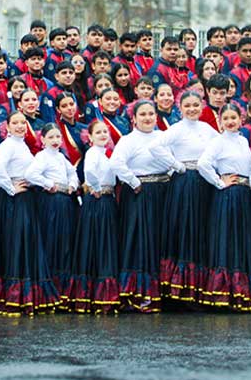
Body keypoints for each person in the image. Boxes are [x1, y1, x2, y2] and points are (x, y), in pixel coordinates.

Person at [149, 90, 218, 304]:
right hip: (185, 182)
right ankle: (181, 291)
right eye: (187, 106)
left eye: (195, 105)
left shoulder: (207, 129)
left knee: (201, 230)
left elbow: (219, 148)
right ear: (180, 108)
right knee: (186, 229)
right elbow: (155, 147)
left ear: (202, 106)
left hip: (204, 181)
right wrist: (176, 165)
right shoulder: (176, 129)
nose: (192, 109)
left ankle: (201, 288)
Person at [0, 111, 60, 315]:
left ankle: (27, 296)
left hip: (26, 198)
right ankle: (15, 297)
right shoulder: (8, 145)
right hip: (16, 199)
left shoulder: (21, 145)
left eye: (23, 122)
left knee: (25, 243)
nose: (20, 126)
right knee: (17, 243)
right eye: (16, 123)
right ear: (8, 127)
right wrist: (11, 188)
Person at [110, 100, 175, 312]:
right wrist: (134, 181)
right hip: (140, 193)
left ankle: (166, 293)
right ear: (134, 118)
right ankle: (141, 294)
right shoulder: (129, 140)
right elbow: (116, 163)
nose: (147, 118)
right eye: (143, 114)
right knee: (141, 241)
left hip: (164, 192)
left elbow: (174, 160)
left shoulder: (163, 137)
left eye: (150, 114)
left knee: (161, 241)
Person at [196, 104, 251, 312]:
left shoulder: (243, 140)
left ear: (241, 119)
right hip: (228, 195)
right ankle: (225, 293)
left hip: (243, 195)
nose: (231, 121)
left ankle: (243, 294)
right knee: (228, 239)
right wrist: (218, 182)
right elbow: (202, 164)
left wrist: (249, 184)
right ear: (221, 121)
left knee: (242, 239)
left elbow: (250, 166)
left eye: (234, 117)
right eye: (226, 118)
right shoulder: (218, 142)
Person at [67, 121, 120, 313]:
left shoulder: (107, 153)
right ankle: (96, 295)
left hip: (108, 199)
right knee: (99, 243)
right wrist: (96, 188)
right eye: (98, 132)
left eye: (105, 131)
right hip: (98, 200)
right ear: (89, 137)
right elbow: (88, 172)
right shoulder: (92, 153)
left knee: (106, 242)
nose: (103, 134)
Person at [25, 123, 80, 306]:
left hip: (65, 201)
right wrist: (48, 184)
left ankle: (63, 289)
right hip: (52, 202)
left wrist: (72, 184)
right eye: (51, 137)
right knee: (53, 239)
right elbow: (31, 174)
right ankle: (50, 288)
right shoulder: (42, 156)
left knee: (65, 241)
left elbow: (73, 173)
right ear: (43, 140)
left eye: (58, 137)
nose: (56, 141)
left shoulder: (62, 157)